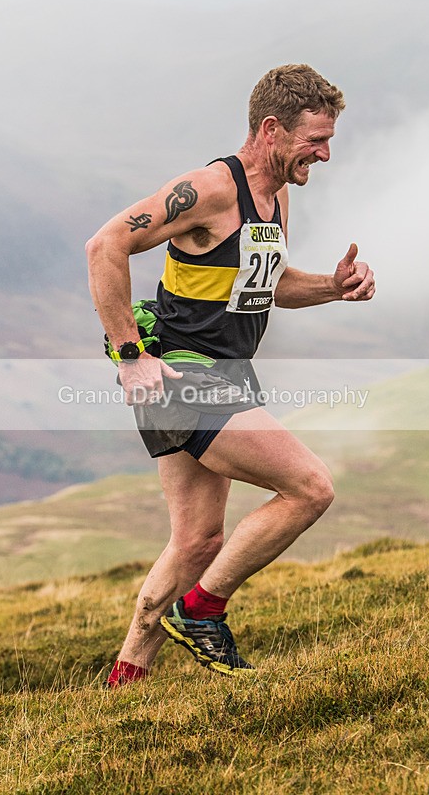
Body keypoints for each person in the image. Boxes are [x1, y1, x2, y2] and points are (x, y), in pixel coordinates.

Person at [86, 64, 375, 686]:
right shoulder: (210, 189)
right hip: (183, 375)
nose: (325, 154)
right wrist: (130, 356)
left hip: (229, 371)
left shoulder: (277, 195)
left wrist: (334, 286)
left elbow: (268, 287)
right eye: (315, 140)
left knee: (196, 543)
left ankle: (125, 681)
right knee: (310, 487)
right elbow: (105, 245)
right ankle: (202, 612)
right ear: (272, 130)